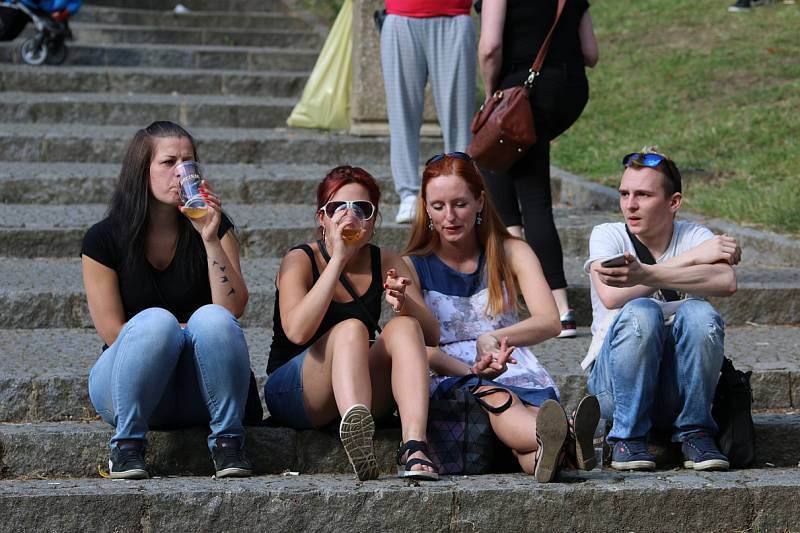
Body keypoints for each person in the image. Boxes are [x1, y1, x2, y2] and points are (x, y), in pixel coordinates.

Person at [403, 152, 600, 482]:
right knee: (500, 398)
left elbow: (550, 320)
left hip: (510, 361)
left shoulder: (511, 250)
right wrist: (472, 369)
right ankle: (569, 434)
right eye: (438, 206)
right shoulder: (413, 265)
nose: (449, 216)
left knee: (533, 427)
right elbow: (417, 347)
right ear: (425, 207)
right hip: (449, 374)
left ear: (480, 202)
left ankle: (550, 452)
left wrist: (492, 338)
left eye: (460, 204)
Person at [81, 121, 255, 479]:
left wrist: (208, 238)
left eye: (188, 162)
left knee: (214, 319)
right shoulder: (103, 239)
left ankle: (229, 445)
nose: (181, 173)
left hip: (201, 389)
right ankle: (126, 446)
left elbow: (233, 309)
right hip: (131, 387)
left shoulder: (217, 228)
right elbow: (115, 333)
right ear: (141, 172)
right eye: (168, 162)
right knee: (156, 321)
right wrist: (179, 331)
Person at [264, 165, 440, 481]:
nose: (350, 216)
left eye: (362, 208)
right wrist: (339, 259)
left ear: (373, 221)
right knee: (352, 329)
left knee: (405, 327)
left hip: (356, 383)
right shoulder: (300, 259)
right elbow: (297, 330)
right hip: (296, 390)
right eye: (337, 208)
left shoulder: (385, 259)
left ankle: (414, 444)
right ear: (322, 219)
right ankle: (356, 435)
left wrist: (405, 301)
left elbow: (432, 335)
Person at [583, 148, 741, 472]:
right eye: (624, 193)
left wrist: (646, 274)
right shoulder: (608, 234)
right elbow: (612, 295)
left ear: (674, 202)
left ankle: (696, 433)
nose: (630, 204)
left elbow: (726, 280)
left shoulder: (694, 235)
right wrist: (688, 260)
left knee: (700, 314)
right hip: (613, 387)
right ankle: (626, 437)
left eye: (643, 194)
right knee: (642, 310)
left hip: (676, 388)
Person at [476, 0, 599, 337]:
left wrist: (490, 96)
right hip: (569, 90)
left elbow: (490, 47)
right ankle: (520, 289)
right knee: (506, 169)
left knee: (527, 192)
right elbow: (591, 53)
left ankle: (559, 308)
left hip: (524, 91)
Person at [380, 0, 476, 223]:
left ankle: (460, 188)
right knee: (401, 113)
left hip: (453, 15)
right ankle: (408, 194)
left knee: (458, 117)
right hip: (401, 14)